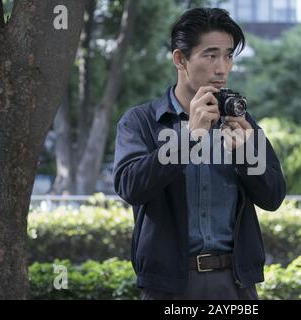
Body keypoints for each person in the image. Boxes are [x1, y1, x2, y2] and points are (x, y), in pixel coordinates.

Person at [113, 7, 286, 300]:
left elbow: (273, 196)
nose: (222, 68)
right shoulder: (141, 121)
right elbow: (130, 187)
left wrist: (244, 152)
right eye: (211, 55)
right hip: (168, 287)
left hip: (236, 284)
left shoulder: (241, 120)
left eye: (228, 55)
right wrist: (188, 138)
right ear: (180, 59)